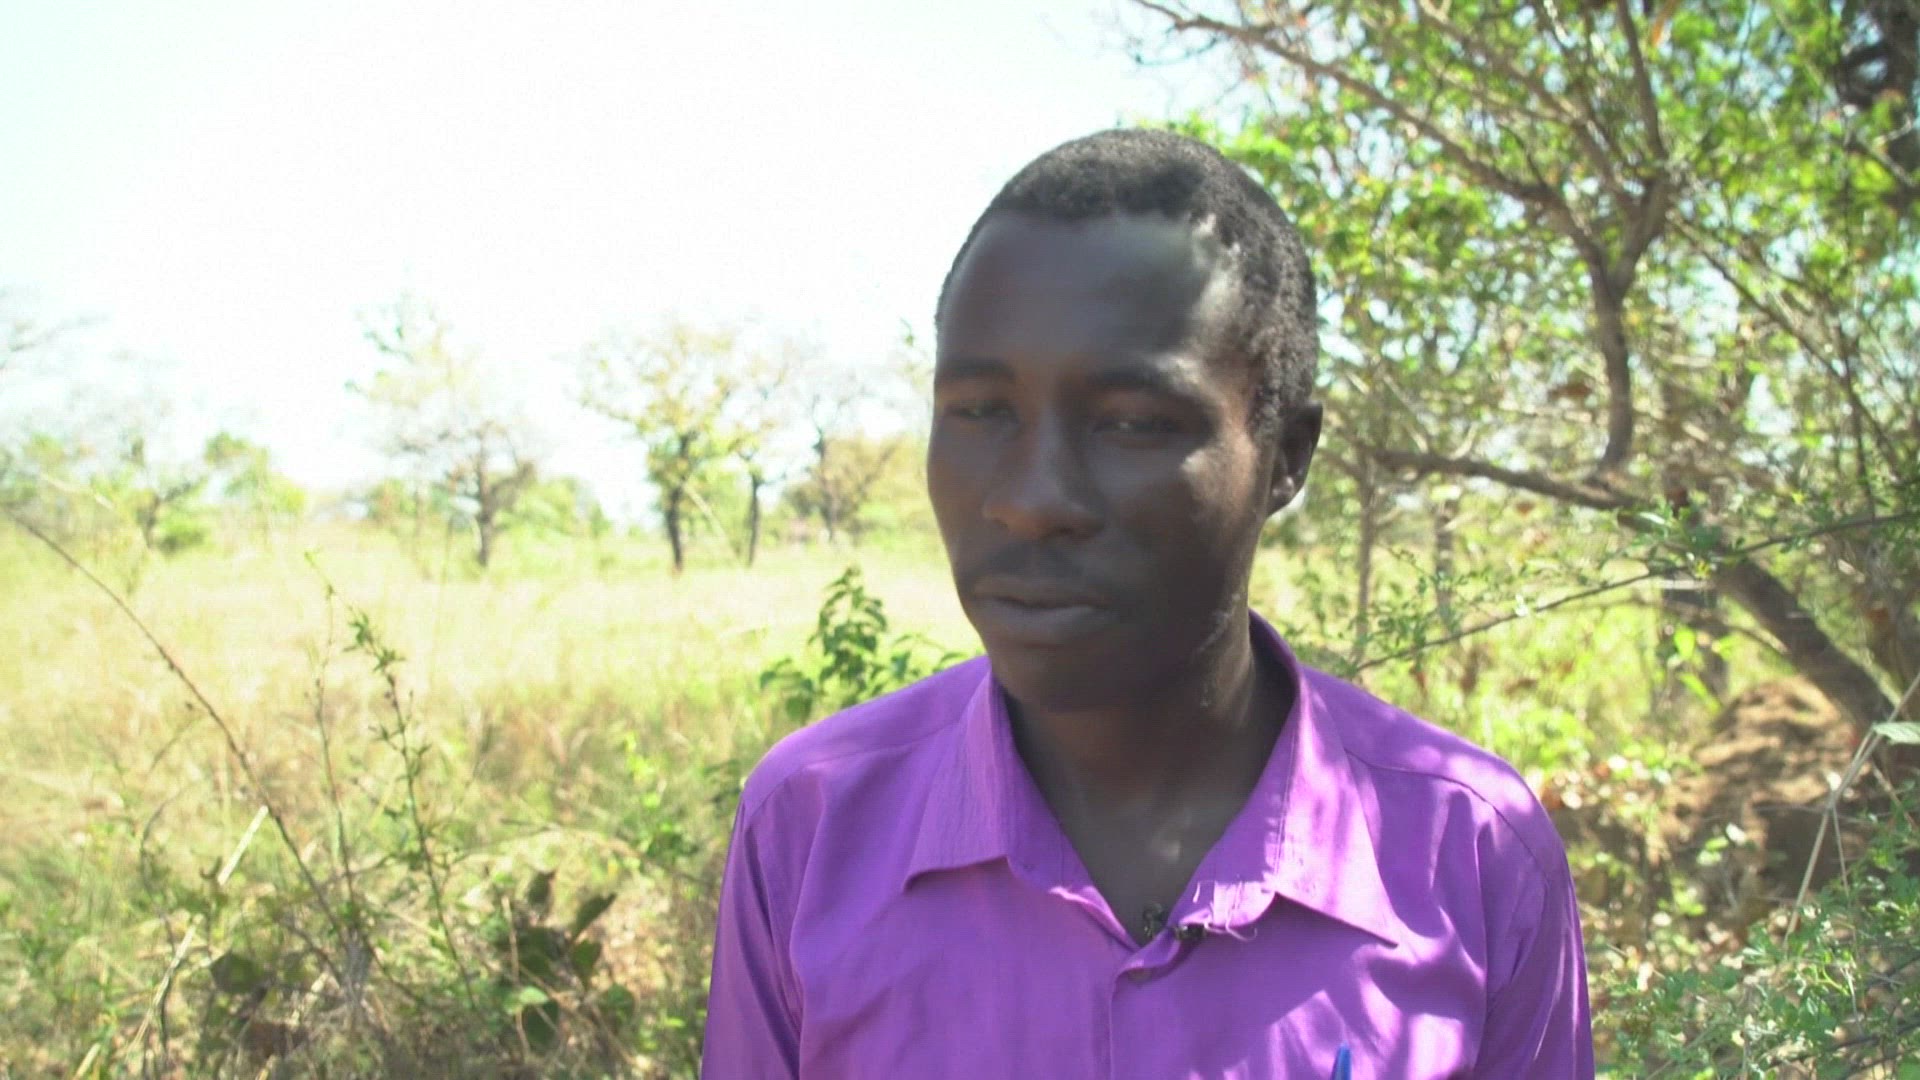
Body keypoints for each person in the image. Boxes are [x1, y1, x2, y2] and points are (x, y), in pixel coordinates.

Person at [701, 129, 1594, 1078]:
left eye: (1130, 424)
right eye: (982, 410)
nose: (1032, 500)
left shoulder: (1469, 855)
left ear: (1286, 456)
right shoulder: (812, 826)